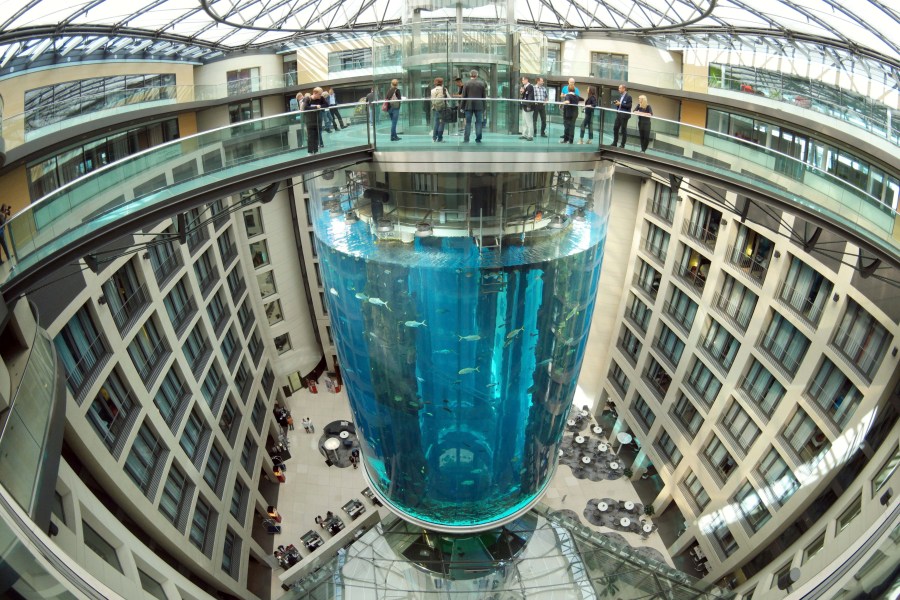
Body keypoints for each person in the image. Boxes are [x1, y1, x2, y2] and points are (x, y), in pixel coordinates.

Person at [462, 69, 487, 144]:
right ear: (477, 75)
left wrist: (462, 106)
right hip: (479, 105)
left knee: (468, 123)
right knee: (479, 122)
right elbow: (484, 97)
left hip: (468, 105)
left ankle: (466, 139)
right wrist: (484, 107)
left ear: (470, 75)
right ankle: (478, 139)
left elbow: (464, 96)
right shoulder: (481, 84)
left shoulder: (466, 83)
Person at [302, 88, 329, 154]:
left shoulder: (321, 98)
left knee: (317, 136)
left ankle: (316, 151)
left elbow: (326, 105)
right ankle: (310, 152)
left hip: (317, 120)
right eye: (319, 94)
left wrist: (320, 106)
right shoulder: (307, 99)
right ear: (314, 93)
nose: (320, 95)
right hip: (309, 121)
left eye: (321, 94)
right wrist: (316, 107)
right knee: (310, 136)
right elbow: (305, 108)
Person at [611, 83, 633, 148]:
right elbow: (620, 105)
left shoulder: (629, 97)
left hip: (624, 116)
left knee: (623, 130)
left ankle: (622, 145)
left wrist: (620, 104)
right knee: (615, 128)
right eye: (619, 88)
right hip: (619, 115)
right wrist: (618, 105)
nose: (619, 89)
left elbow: (629, 106)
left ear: (624, 89)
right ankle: (615, 143)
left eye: (620, 88)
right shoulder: (620, 96)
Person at [430, 77, 449, 142]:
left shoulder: (432, 90)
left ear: (435, 83)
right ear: (442, 83)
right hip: (443, 109)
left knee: (436, 123)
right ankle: (440, 138)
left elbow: (432, 100)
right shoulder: (444, 89)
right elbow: (449, 98)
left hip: (435, 108)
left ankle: (434, 138)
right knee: (442, 123)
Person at [519, 75, 535, 141]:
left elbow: (530, 97)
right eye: (522, 80)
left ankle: (530, 135)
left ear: (527, 80)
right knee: (524, 121)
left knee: (529, 122)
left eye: (523, 80)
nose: (522, 81)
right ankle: (524, 134)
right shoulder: (525, 87)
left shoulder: (530, 86)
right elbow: (524, 96)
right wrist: (521, 92)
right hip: (524, 106)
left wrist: (529, 106)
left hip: (528, 107)